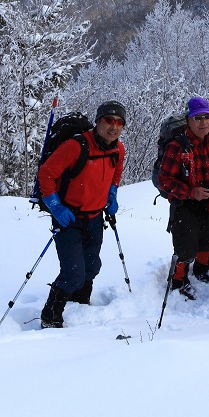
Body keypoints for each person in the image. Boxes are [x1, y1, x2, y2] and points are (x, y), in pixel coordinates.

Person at [37, 101, 126, 328]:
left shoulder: (118, 149)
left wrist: (112, 193)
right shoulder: (76, 146)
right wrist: (56, 206)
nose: (113, 127)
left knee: (91, 266)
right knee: (73, 273)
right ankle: (50, 316)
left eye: (119, 123)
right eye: (108, 121)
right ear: (97, 122)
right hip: (69, 218)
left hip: (95, 217)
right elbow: (46, 174)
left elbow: (116, 173)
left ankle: (80, 303)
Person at [156, 96, 209, 300]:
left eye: (207, 117)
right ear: (188, 120)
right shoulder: (178, 146)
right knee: (185, 245)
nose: (203, 122)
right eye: (197, 118)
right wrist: (191, 192)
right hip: (184, 203)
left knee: (208, 239)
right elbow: (165, 180)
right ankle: (178, 281)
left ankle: (201, 271)